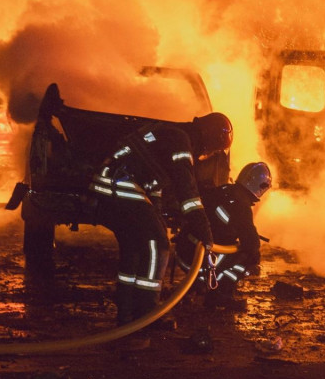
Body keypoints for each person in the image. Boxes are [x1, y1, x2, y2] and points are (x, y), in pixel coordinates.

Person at [90, 110, 232, 326]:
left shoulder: (170, 133)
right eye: (213, 150)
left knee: (135, 247)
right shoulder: (182, 142)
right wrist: (204, 231)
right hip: (121, 184)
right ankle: (148, 313)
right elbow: (188, 193)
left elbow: (153, 185)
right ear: (209, 139)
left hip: (108, 183)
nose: (208, 155)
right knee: (158, 244)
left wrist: (157, 217)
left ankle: (127, 312)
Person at [177, 161, 273, 310]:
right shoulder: (241, 205)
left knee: (229, 250)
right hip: (199, 260)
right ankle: (219, 294)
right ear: (261, 186)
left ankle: (198, 284)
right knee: (251, 257)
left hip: (184, 254)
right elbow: (251, 244)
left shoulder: (222, 190)